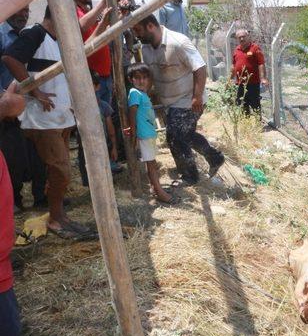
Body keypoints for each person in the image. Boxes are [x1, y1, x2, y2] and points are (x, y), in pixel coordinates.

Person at [0, 0, 58, 336]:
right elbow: (14, 61)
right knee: (50, 170)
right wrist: (27, 93)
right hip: (40, 118)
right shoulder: (35, 35)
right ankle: (51, 213)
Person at [2, 7, 91, 240]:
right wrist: (35, 90)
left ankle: (59, 216)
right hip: (42, 119)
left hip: (60, 116)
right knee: (61, 170)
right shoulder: (35, 33)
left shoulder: (57, 39)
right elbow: (10, 58)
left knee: (58, 172)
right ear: (58, 15)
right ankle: (54, 218)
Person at [131, 14, 224, 185]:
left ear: (150, 26)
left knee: (174, 136)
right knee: (185, 135)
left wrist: (196, 97)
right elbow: (152, 73)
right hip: (169, 102)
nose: (136, 35)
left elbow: (200, 68)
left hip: (188, 100)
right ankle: (215, 158)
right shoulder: (146, 48)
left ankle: (190, 176)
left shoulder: (178, 42)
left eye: (138, 30)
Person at [0, 7, 47, 212]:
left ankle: (40, 197)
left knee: (35, 154)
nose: (24, 14)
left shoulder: (27, 34)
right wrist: (4, 100)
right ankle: (14, 200)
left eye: (27, 11)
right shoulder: (1, 35)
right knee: (13, 157)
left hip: (29, 104)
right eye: (19, 10)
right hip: (8, 107)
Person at [126, 63, 177, 204]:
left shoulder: (143, 94)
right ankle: (159, 192)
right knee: (151, 164)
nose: (142, 81)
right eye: (137, 78)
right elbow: (132, 112)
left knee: (152, 163)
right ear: (131, 79)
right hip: (143, 134)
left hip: (148, 133)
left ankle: (156, 189)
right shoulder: (134, 93)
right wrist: (134, 134)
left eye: (144, 78)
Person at [69, 0, 113, 106]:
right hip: (90, 79)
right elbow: (80, 27)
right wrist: (103, 3)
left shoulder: (89, 10)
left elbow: (101, 36)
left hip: (105, 77)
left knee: (106, 120)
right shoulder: (71, 10)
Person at [77, 71, 119, 187]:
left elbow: (111, 130)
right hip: (84, 147)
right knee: (88, 173)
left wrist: (114, 147)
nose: (87, 89)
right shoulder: (76, 107)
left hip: (102, 144)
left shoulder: (103, 106)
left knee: (104, 170)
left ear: (97, 86)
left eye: (90, 85)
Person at [231, 28, 268, 114]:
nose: (241, 39)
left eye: (243, 37)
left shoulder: (255, 48)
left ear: (248, 37)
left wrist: (263, 78)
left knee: (255, 104)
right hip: (240, 83)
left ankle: (257, 124)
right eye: (239, 37)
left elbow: (261, 63)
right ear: (237, 39)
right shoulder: (236, 50)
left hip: (253, 83)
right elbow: (233, 65)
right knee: (242, 104)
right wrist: (230, 79)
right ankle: (245, 124)